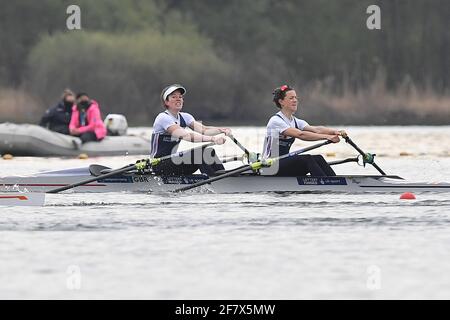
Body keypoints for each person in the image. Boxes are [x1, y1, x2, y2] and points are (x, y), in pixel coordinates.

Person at [262, 84, 346, 176]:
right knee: (307, 159)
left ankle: (334, 182)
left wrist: (334, 132)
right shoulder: (276, 121)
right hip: (270, 166)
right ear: (281, 101)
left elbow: (316, 129)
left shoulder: (295, 121)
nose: (295, 100)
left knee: (318, 158)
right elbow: (301, 135)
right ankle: (325, 185)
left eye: (295, 98)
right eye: (291, 98)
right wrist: (328, 137)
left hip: (282, 164)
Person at [150, 84, 231, 176]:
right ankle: (216, 182)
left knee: (208, 152)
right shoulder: (163, 118)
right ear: (166, 102)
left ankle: (222, 177)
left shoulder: (185, 117)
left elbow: (204, 130)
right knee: (200, 153)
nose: (178, 99)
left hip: (173, 162)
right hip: (159, 165)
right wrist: (213, 139)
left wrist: (222, 130)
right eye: (174, 97)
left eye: (180, 97)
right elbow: (186, 136)